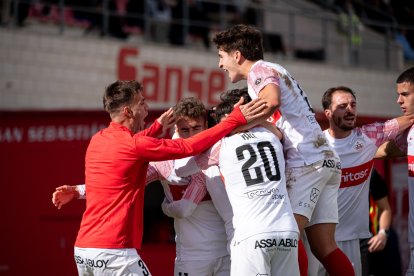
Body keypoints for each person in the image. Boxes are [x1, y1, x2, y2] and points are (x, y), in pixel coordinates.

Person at [62, 80, 265, 275]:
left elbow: (119, 171)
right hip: (115, 252)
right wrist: (235, 120)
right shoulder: (139, 148)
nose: (147, 107)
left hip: (84, 250)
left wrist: (78, 190)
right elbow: (187, 147)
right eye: (141, 102)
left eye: (197, 128)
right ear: (128, 111)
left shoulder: (98, 139)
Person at [212, 24, 352, 276]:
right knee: (325, 247)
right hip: (326, 160)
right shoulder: (275, 69)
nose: (220, 64)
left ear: (236, 55)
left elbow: (272, 100)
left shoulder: (259, 69)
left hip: (306, 161)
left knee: (286, 235)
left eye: (221, 56)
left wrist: (234, 126)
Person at [175, 88, 300, 276]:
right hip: (287, 230)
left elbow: (181, 169)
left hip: (251, 233)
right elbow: (274, 129)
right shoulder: (274, 135)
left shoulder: (221, 145)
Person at [310, 86, 413, 276]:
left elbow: (408, 119)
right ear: (328, 113)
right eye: (342, 106)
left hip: (353, 240)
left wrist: (382, 232)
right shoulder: (313, 145)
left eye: (353, 104)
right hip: (316, 241)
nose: (350, 109)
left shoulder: (368, 137)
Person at [360, 169, 402, 276]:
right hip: (330, 240)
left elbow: (385, 209)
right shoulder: (326, 171)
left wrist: (382, 233)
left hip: (367, 242)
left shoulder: (370, 172)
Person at [394, 67, 414, 275]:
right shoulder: (409, 130)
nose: (399, 101)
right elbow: (382, 151)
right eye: (398, 95)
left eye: (405, 94)